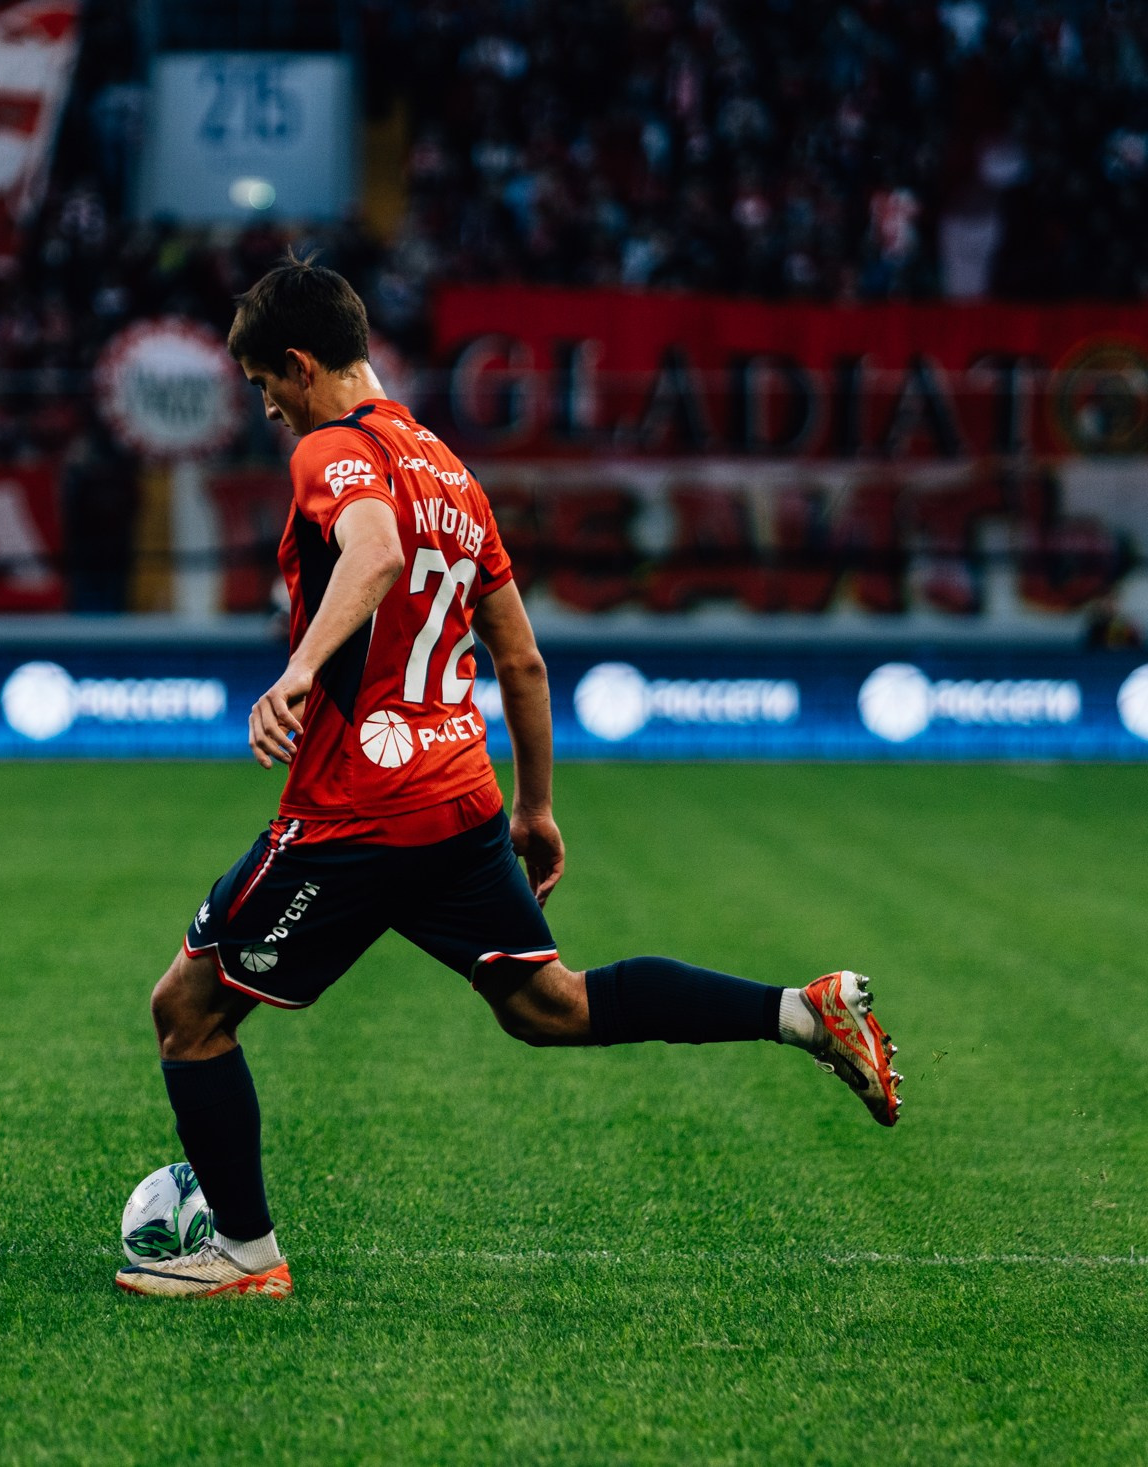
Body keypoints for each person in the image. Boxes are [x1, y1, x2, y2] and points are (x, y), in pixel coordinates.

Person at [116, 260, 902, 1300]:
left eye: (265, 384)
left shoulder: (332, 451)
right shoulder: (453, 474)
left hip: (359, 811)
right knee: (547, 1004)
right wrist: (534, 806)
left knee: (188, 1011)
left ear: (301, 365)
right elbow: (521, 660)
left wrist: (298, 671)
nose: (265, 407)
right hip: (461, 798)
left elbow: (374, 551)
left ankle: (245, 1256)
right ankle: (802, 1012)